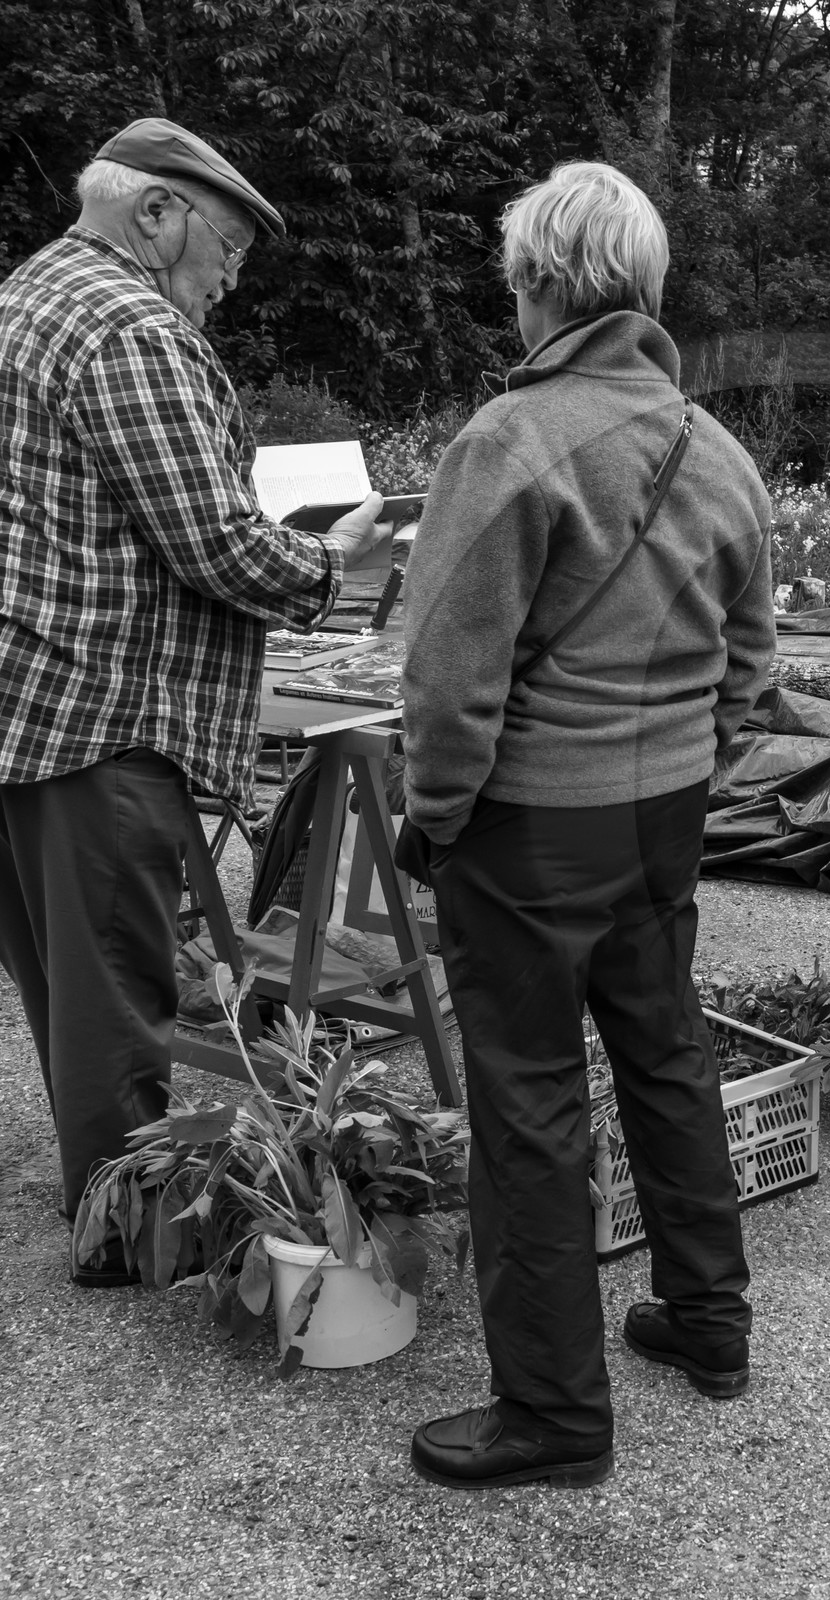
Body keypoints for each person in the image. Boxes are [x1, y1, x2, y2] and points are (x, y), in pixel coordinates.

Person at [401, 162, 776, 1491]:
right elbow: (755, 663)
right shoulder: (718, 450)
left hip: (530, 828)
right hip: (663, 812)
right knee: (663, 1052)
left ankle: (556, 1414)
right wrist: (690, 760)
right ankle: (709, 1323)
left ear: (542, 287)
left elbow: (448, 681)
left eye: (514, 284)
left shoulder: (511, 443)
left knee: (530, 1099)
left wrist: (433, 818)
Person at [0, 117, 389, 1276]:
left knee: (65, 975)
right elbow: (214, 543)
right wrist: (338, 566)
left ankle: (105, 1196)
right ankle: (133, 1240)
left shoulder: (27, 294)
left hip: (29, 699)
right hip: (101, 709)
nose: (230, 275)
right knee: (118, 988)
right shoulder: (128, 325)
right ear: (153, 214)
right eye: (225, 245)